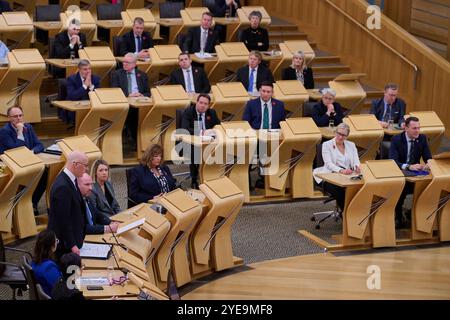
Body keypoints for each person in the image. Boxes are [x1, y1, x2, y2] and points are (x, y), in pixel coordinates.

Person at [0, 106, 46, 213]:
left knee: (45, 172)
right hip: (11, 164)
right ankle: (19, 204)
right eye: (15, 116)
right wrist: (20, 133)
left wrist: (32, 152)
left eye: (20, 115)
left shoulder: (28, 127)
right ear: (9, 118)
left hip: (27, 162)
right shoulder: (4, 132)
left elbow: (39, 145)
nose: (19, 118)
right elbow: (17, 151)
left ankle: (33, 202)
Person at [389, 116, 432, 228]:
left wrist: (428, 164)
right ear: (406, 128)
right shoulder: (396, 139)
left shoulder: (422, 138)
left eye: (418, 128)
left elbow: (428, 157)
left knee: (430, 186)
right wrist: (409, 167)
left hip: (416, 175)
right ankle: (398, 216)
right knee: (401, 188)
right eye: (414, 128)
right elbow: (393, 161)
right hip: (400, 172)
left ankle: (415, 213)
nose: (417, 130)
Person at [48, 151, 88, 260]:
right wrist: (72, 245)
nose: (86, 169)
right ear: (75, 164)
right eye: (85, 165)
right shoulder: (63, 186)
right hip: (65, 246)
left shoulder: (71, 180)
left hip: (73, 239)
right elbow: (63, 220)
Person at [313, 123, 361, 211]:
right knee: (340, 192)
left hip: (347, 175)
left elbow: (356, 161)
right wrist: (341, 171)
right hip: (328, 175)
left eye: (343, 135)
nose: (340, 137)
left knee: (358, 188)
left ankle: (355, 212)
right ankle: (346, 213)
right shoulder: (327, 145)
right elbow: (329, 164)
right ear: (335, 132)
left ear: (347, 136)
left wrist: (357, 167)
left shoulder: (351, 145)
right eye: (339, 134)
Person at [181, 94, 221, 189]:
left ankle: (212, 177)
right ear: (196, 102)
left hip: (209, 142)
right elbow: (185, 129)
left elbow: (218, 127)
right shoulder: (189, 112)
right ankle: (194, 179)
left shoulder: (212, 113)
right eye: (201, 103)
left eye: (205, 104)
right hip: (192, 142)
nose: (203, 105)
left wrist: (213, 132)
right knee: (195, 152)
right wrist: (202, 132)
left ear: (208, 105)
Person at [111, 53, 150, 145]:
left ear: (134, 64)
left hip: (140, 103)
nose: (124, 64)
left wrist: (142, 95)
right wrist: (129, 95)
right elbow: (115, 92)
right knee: (133, 114)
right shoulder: (116, 74)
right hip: (125, 103)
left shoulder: (142, 75)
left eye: (127, 62)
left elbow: (148, 92)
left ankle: (143, 141)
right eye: (124, 62)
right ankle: (134, 140)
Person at [371, 83, 407, 159]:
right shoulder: (376, 103)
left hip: (394, 132)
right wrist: (380, 123)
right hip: (380, 131)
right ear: (385, 93)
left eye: (395, 95)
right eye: (391, 95)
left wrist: (402, 123)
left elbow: (401, 117)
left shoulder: (401, 103)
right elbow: (371, 119)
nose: (393, 98)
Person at [64, 60, 101, 124]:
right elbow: (72, 96)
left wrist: (91, 86)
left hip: (91, 108)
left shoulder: (95, 78)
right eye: (85, 69)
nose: (88, 71)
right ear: (79, 70)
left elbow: (99, 96)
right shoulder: (71, 79)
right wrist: (84, 86)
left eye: (89, 69)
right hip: (75, 109)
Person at [31, 229, 62, 298]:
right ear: (52, 246)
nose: (57, 243)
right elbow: (60, 290)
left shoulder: (34, 261)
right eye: (56, 241)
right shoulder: (49, 268)